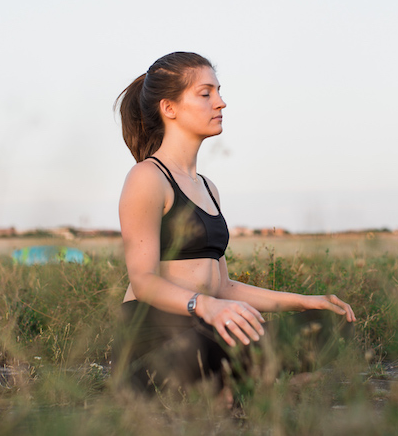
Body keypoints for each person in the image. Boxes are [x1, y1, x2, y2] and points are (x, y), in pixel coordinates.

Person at [113, 52, 355, 397]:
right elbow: (144, 280)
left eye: (219, 91)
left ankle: (227, 387)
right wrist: (206, 305)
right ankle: (228, 388)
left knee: (330, 324)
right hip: (159, 338)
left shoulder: (207, 188)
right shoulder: (147, 177)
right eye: (206, 93)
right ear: (170, 108)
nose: (221, 103)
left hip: (206, 327)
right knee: (217, 343)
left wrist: (303, 301)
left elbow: (223, 286)